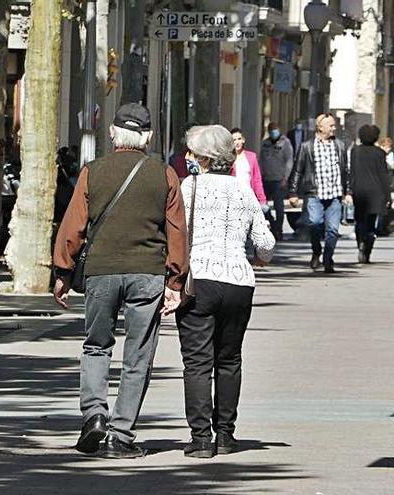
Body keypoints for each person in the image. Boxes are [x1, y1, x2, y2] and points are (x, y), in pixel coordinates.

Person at [52, 103, 188, 459]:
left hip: (101, 271)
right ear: (148, 137)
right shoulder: (164, 174)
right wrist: (175, 281)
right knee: (138, 355)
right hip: (148, 273)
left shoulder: (92, 172)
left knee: (96, 345)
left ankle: (95, 414)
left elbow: (73, 226)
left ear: (112, 133)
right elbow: (177, 231)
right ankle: (121, 433)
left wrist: (63, 272)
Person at [177, 125, 275, 458]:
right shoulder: (242, 190)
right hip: (238, 281)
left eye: (191, 152)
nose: (188, 157)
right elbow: (265, 242)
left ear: (203, 157)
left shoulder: (187, 187)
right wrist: (260, 257)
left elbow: (175, 236)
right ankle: (226, 434)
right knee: (229, 358)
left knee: (197, 362)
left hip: (199, 280)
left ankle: (201, 438)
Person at [288, 113, 352, 273]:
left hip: (335, 194)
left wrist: (348, 191)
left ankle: (328, 258)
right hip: (314, 193)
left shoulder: (339, 145)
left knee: (333, 230)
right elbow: (297, 170)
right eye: (330, 125)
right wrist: (293, 192)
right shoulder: (307, 147)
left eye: (334, 125)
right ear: (320, 127)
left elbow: (345, 170)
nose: (334, 128)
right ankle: (316, 250)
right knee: (315, 223)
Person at [350, 125, 393, 264]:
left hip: (359, 191)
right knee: (371, 222)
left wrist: (349, 190)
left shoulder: (355, 151)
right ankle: (367, 249)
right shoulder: (380, 153)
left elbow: (352, 172)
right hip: (376, 191)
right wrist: (388, 195)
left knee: (359, 220)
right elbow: (383, 176)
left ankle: (360, 243)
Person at [259, 122, 294, 239]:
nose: (273, 132)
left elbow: (289, 161)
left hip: (279, 180)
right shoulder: (265, 143)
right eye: (271, 130)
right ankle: (271, 225)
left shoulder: (285, 143)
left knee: (279, 206)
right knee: (263, 206)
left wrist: (286, 177)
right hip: (266, 179)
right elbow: (261, 160)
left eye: (275, 129)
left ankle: (278, 230)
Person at [229, 128, 268, 208]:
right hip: (233, 198)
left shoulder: (252, 157)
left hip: (249, 197)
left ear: (243, 140)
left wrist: (262, 199)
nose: (237, 142)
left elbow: (257, 179)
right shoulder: (228, 158)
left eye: (239, 139)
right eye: (234, 140)